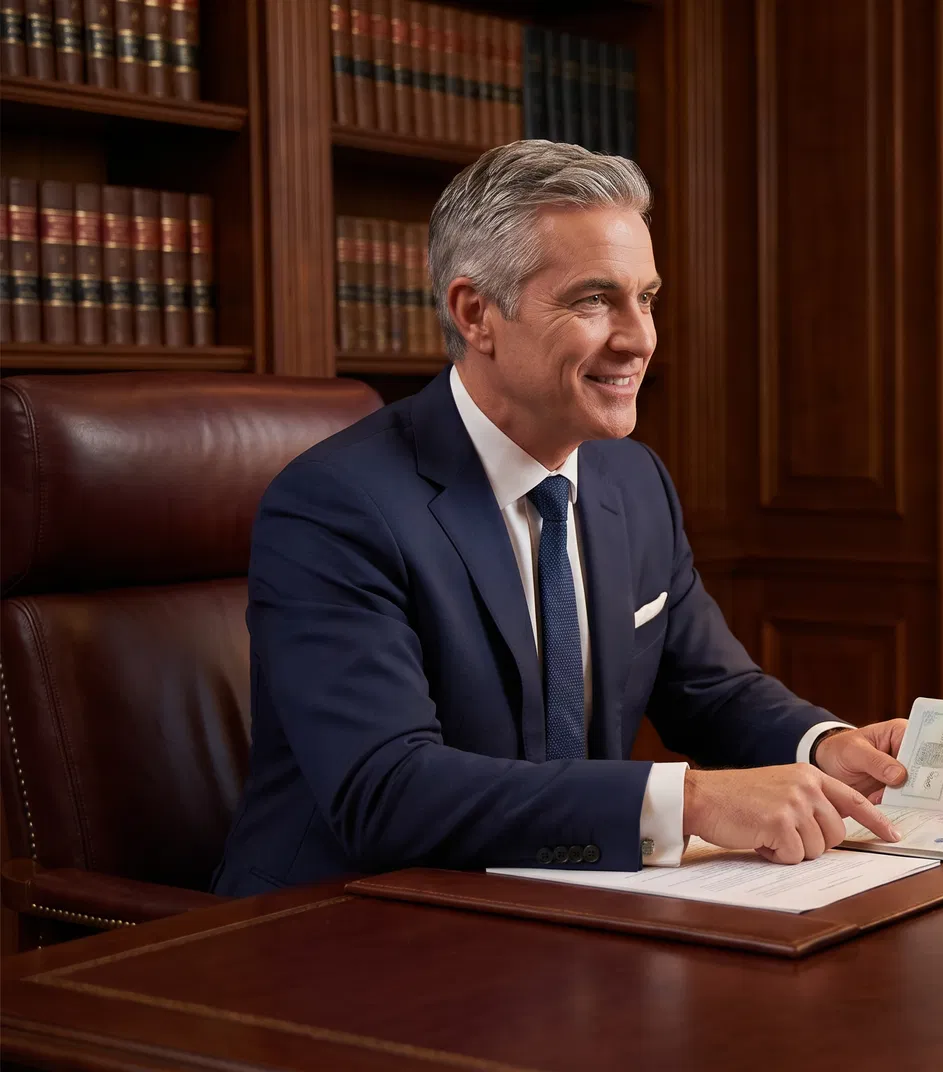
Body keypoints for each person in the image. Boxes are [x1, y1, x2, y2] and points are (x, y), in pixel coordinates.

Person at [215, 141, 906, 896]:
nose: (639, 337)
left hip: (558, 913)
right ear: (477, 313)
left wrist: (825, 746)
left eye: (646, 298)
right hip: (342, 929)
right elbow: (387, 791)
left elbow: (711, 689)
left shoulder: (631, 478)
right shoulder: (337, 506)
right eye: (594, 299)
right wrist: (693, 801)